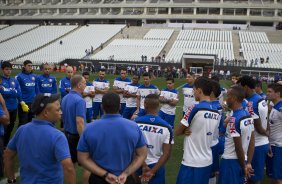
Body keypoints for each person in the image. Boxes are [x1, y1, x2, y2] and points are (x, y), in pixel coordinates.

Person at [77, 92, 147, 184]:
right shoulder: (133, 127)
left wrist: (105, 174)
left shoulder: (89, 128)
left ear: (102, 107)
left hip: (99, 178)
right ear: (120, 107)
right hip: (125, 179)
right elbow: (142, 154)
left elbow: (82, 158)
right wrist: (126, 173)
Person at [4, 93, 75, 184]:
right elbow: (68, 167)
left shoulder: (21, 130)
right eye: (58, 110)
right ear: (46, 113)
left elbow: (7, 155)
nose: (61, 112)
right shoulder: (57, 136)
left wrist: (11, 180)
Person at [175, 77, 220, 184]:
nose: (193, 92)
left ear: (199, 90)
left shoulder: (195, 108)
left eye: (194, 90)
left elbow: (177, 131)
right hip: (207, 161)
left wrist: (184, 130)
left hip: (191, 162)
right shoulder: (217, 111)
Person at [218, 86, 255, 184]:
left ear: (233, 98)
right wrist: (248, 163)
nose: (226, 99)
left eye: (228, 96)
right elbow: (252, 141)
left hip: (230, 163)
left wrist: (244, 167)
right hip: (243, 160)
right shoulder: (248, 115)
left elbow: (238, 147)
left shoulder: (234, 119)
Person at [237, 76, 269, 184]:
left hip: (256, 146)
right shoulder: (260, 99)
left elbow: (258, 128)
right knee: (249, 177)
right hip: (259, 143)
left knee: (253, 179)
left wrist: (265, 134)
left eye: (240, 87)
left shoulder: (251, 103)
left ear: (245, 87)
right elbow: (267, 120)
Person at [135, 94, 173, 184]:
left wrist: (144, 165)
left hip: (137, 163)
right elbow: (167, 153)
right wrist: (152, 171)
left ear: (144, 105)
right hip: (157, 165)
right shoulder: (167, 127)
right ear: (159, 106)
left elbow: (132, 147)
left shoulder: (136, 123)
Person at [0, 61, 21, 147]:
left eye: (10, 69)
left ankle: (5, 144)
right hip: (4, 108)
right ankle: (2, 144)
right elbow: (2, 92)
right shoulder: (1, 80)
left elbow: (18, 93)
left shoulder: (14, 81)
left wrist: (7, 91)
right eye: (6, 69)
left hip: (14, 107)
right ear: (2, 70)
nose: (8, 71)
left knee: (10, 127)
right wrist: (13, 91)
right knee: (3, 127)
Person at [266, 83, 282, 184]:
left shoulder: (280, 108)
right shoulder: (275, 107)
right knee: (273, 176)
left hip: (278, 147)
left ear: (278, 94)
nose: (267, 94)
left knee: (278, 178)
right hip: (272, 145)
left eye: (270, 92)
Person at [15, 60, 38, 127]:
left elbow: (36, 88)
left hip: (33, 102)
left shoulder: (34, 76)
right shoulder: (19, 76)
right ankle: (20, 137)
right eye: (28, 66)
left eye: (31, 66)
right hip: (24, 103)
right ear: (24, 66)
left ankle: (29, 137)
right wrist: (21, 101)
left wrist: (37, 99)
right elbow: (17, 90)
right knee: (23, 123)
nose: (30, 67)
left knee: (31, 123)